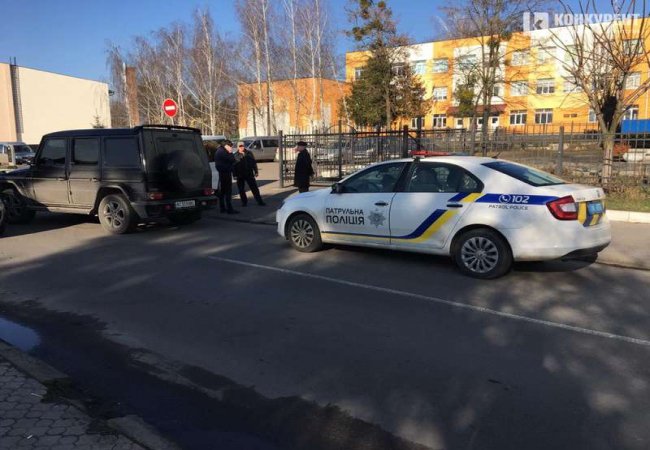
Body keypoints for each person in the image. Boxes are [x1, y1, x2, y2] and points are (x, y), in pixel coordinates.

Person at [233, 141, 266, 207]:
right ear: (238, 147)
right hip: (240, 175)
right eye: (240, 146)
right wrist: (234, 175)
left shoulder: (249, 153)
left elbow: (253, 162)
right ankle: (244, 202)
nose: (241, 147)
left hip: (249, 173)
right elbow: (234, 166)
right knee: (241, 189)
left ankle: (259, 201)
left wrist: (256, 171)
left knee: (254, 188)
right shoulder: (235, 155)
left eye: (242, 146)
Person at [214, 140, 238, 214]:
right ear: (226, 146)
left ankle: (222, 208)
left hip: (222, 173)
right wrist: (230, 152)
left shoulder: (219, 150)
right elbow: (233, 160)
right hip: (225, 173)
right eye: (230, 146)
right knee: (228, 191)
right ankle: (229, 209)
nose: (231, 148)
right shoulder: (223, 152)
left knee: (223, 192)